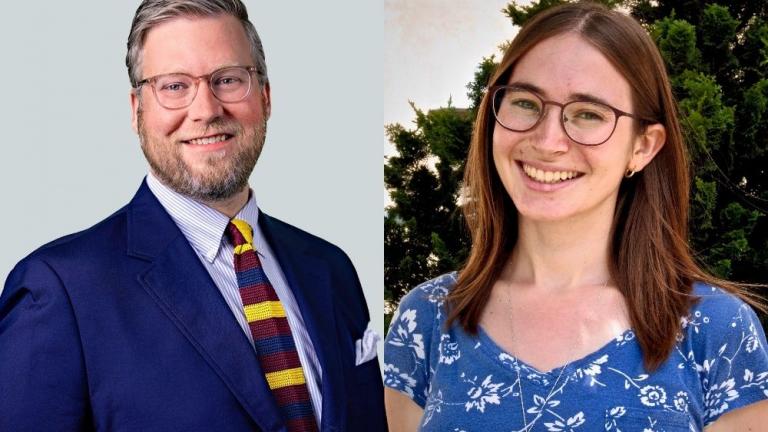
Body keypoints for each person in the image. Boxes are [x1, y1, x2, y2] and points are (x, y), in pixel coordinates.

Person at [0, 1, 385, 431]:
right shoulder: (60, 289)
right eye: (174, 86)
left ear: (266, 96)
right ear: (136, 110)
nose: (206, 109)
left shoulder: (330, 267)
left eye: (227, 79)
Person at [384, 3, 768, 431]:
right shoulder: (428, 318)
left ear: (643, 146)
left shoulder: (716, 330)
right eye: (526, 103)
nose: (547, 141)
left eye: (588, 114)